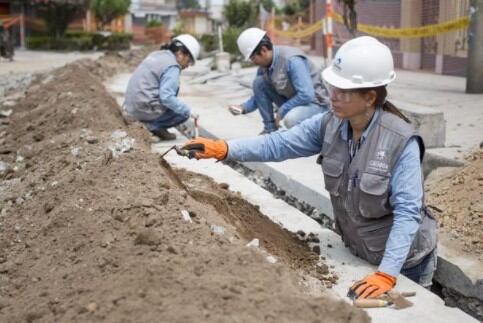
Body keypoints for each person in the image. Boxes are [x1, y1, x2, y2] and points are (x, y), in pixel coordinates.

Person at [181, 36, 438, 299]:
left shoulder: (401, 141)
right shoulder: (330, 124)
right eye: (332, 87)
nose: (332, 96)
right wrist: (224, 149)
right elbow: (279, 144)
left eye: (343, 91)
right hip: (362, 251)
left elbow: (408, 212)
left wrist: (387, 273)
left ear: (370, 97)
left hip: (404, 264)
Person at [229, 27, 330, 134]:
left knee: (290, 119)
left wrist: (282, 111)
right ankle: (270, 130)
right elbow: (258, 96)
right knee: (259, 83)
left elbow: (306, 94)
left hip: (316, 105)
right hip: (295, 102)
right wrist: (243, 108)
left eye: (253, 58)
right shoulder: (264, 67)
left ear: (263, 50)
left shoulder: (291, 60)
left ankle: (307, 140)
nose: (253, 62)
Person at [123, 34, 200, 140]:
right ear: (181, 53)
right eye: (189, 61)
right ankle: (149, 127)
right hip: (144, 108)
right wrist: (188, 110)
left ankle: (158, 129)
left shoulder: (157, 55)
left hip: (131, 107)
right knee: (182, 114)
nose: (187, 66)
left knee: (174, 106)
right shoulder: (172, 66)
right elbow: (167, 97)